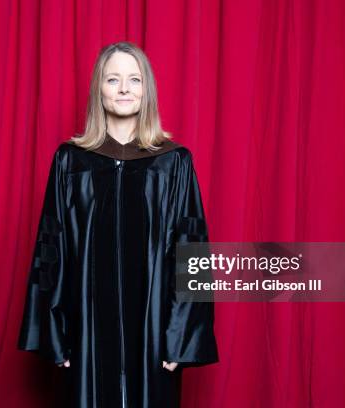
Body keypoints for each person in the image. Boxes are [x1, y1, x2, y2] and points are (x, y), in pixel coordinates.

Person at [18, 41, 218, 408]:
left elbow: (193, 254)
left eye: (134, 79)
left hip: (155, 331)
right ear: (99, 90)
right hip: (86, 330)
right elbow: (52, 247)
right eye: (113, 79)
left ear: (147, 91)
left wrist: (182, 337)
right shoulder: (70, 161)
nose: (124, 88)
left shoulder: (173, 164)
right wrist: (54, 331)